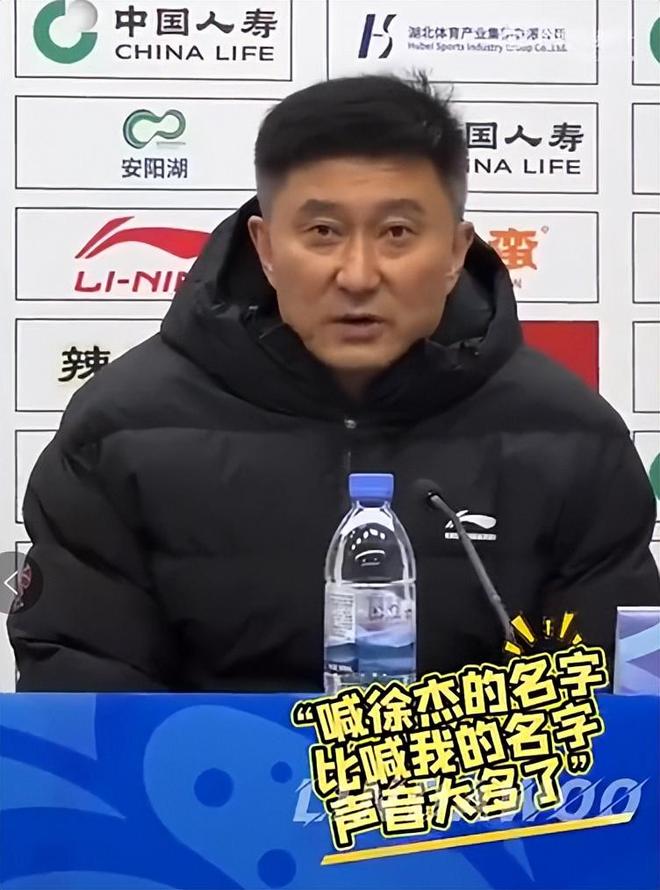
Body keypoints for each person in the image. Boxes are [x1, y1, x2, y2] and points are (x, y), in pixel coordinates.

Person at [8, 73, 659, 691]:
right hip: (202, 772)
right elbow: (87, 703)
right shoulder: (121, 431)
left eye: (397, 233)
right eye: (323, 232)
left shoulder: (572, 438)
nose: (357, 275)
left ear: (456, 252)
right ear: (266, 248)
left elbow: (610, 711)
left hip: (489, 776)